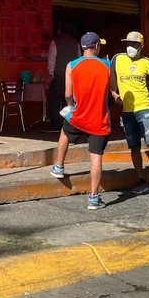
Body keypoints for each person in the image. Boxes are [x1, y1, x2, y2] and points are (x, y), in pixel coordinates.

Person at [50, 33, 112, 210]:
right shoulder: (107, 65)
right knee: (96, 157)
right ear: (97, 46)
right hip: (99, 118)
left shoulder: (71, 65)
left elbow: (68, 94)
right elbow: (112, 88)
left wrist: (71, 106)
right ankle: (93, 198)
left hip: (79, 115)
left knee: (64, 133)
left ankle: (59, 167)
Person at [110, 31, 149, 200]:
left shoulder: (148, 63)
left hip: (145, 108)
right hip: (127, 111)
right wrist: (115, 95)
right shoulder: (117, 59)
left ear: (142, 46)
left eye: (134, 44)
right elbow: (112, 83)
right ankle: (141, 180)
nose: (130, 47)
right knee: (134, 146)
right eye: (128, 44)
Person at [47, 22, 81, 132]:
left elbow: (52, 60)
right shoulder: (75, 43)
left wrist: (52, 74)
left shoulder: (55, 42)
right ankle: (71, 124)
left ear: (59, 30)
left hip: (60, 76)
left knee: (54, 101)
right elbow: (79, 59)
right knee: (70, 101)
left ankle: (56, 125)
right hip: (73, 77)